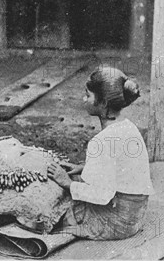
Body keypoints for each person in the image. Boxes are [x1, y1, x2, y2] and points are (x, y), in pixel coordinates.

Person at [47, 66, 155, 240]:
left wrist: (67, 183)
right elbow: (119, 168)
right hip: (135, 216)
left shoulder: (101, 141)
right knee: (76, 185)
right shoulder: (129, 127)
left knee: (55, 212)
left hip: (116, 222)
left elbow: (101, 194)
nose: (83, 99)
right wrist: (83, 167)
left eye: (88, 95)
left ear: (104, 103)